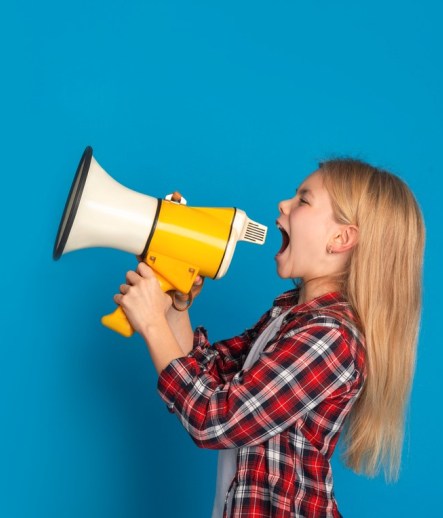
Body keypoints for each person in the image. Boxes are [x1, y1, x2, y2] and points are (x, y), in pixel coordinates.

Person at [113, 159, 424, 518]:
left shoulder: (329, 338)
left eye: (303, 200)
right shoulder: (289, 316)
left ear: (341, 238)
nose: (283, 204)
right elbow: (209, 381)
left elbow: (214, 419)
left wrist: (152, 324)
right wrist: (175, 306)